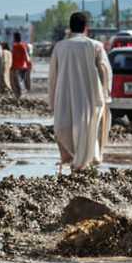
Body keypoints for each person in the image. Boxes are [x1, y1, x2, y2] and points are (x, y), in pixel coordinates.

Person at [48, 11, 112, 171]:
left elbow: (53, 75)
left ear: (70, 28)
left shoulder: (60, 47)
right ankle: (84, 161)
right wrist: (105, 94)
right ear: (86, 28)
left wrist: (53, 99)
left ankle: (75, 160)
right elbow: (105, 70)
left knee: (65, 127)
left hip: (65, 95)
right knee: (87, 127)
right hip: (90, 96)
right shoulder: (95, 45)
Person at [10, 32, 32, 98]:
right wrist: (28, 64)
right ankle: (20, 95)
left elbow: (13, 57)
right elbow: (26, 56)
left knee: (17, 81)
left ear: (14, 38)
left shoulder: (15, 47)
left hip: (17, 67)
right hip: (22, 66)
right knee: (20, 81)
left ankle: (20, 95)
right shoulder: (23, 46)